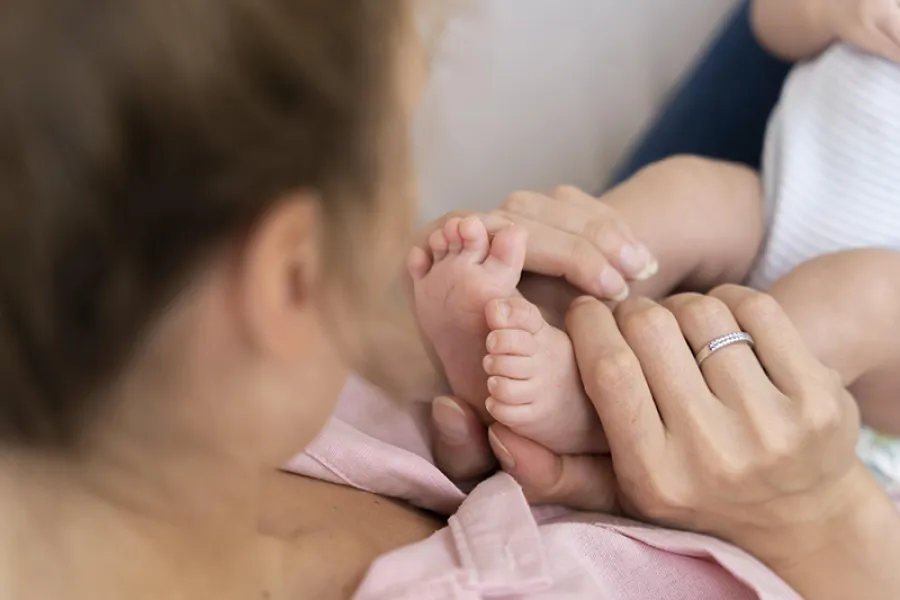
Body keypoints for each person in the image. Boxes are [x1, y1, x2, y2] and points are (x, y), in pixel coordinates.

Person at [1, 2, 898, 600]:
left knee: (629, 233)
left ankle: (590, 358)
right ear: (288, 280)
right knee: (820, 268)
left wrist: (458, 352)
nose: (411, 209)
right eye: (399, 148)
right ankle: (625, 391)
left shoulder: (161, 371)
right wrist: (818, 521)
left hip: (656, 358)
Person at [410, 0, 900, 483]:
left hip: (880, 368)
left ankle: (619, 416)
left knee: (868, 295)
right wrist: (838, 12)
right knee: (688, 191)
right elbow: (771, 21)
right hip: (777, 203)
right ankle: (531, 324)